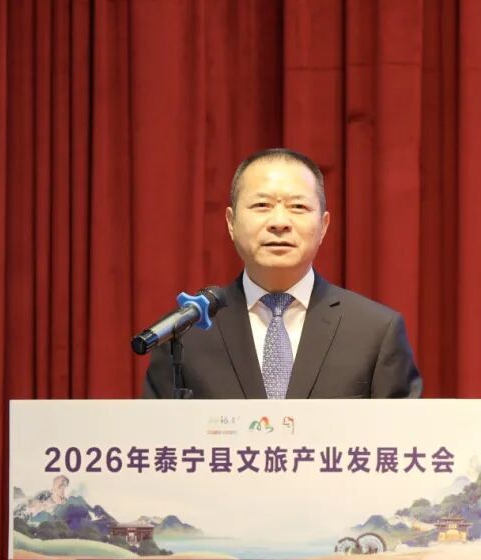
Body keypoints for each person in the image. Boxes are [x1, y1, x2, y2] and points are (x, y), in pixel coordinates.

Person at [142, 148, 422, 399]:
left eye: (298, 207)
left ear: (323, 226)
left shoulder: (375, 331)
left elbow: (404, 435)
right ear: (231, 222)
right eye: (261, 206)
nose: (279, 222)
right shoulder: (183, 335)